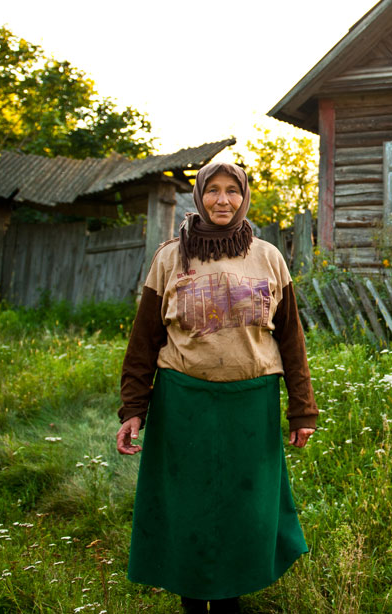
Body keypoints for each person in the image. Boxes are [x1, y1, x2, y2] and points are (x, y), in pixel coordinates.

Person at [115, 161, 319, 614]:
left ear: (245, 196)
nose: (222, 200)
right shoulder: (171, 257)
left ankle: (230, 601)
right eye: (213, 191)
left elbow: (291, 339)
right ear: (199, 196)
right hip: (183, 402)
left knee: (245, 509)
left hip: (251, 406)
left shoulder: (268, 257)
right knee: (187, 507)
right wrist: (134, 408)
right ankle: (192, 601)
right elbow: (144, 341)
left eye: (232, 191)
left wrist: (302, 410)